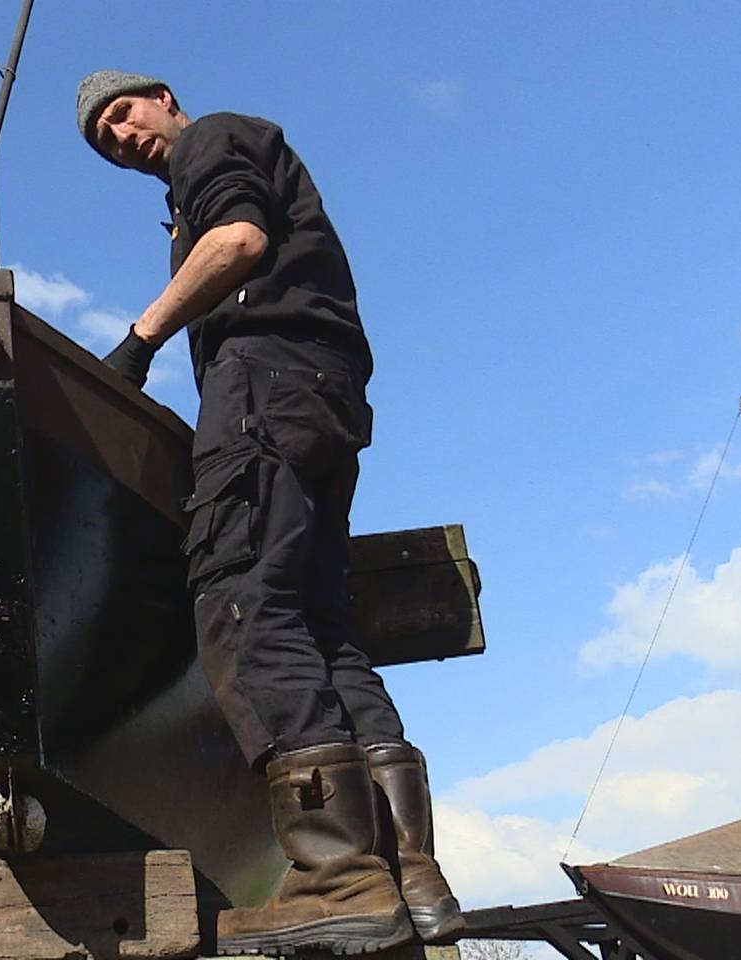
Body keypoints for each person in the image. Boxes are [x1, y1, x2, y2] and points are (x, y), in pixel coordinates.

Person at [76, 70, 464, 956]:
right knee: (322, 628)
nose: (119, 136)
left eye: (122, 114)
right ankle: (412, 880)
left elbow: (241, 239)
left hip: (264, 390)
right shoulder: (230, 153)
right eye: (103, 139)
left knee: (243, 607)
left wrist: (137, 343)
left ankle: (340, 880)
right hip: (320, 402)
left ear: (164, 98)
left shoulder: (211, 139)